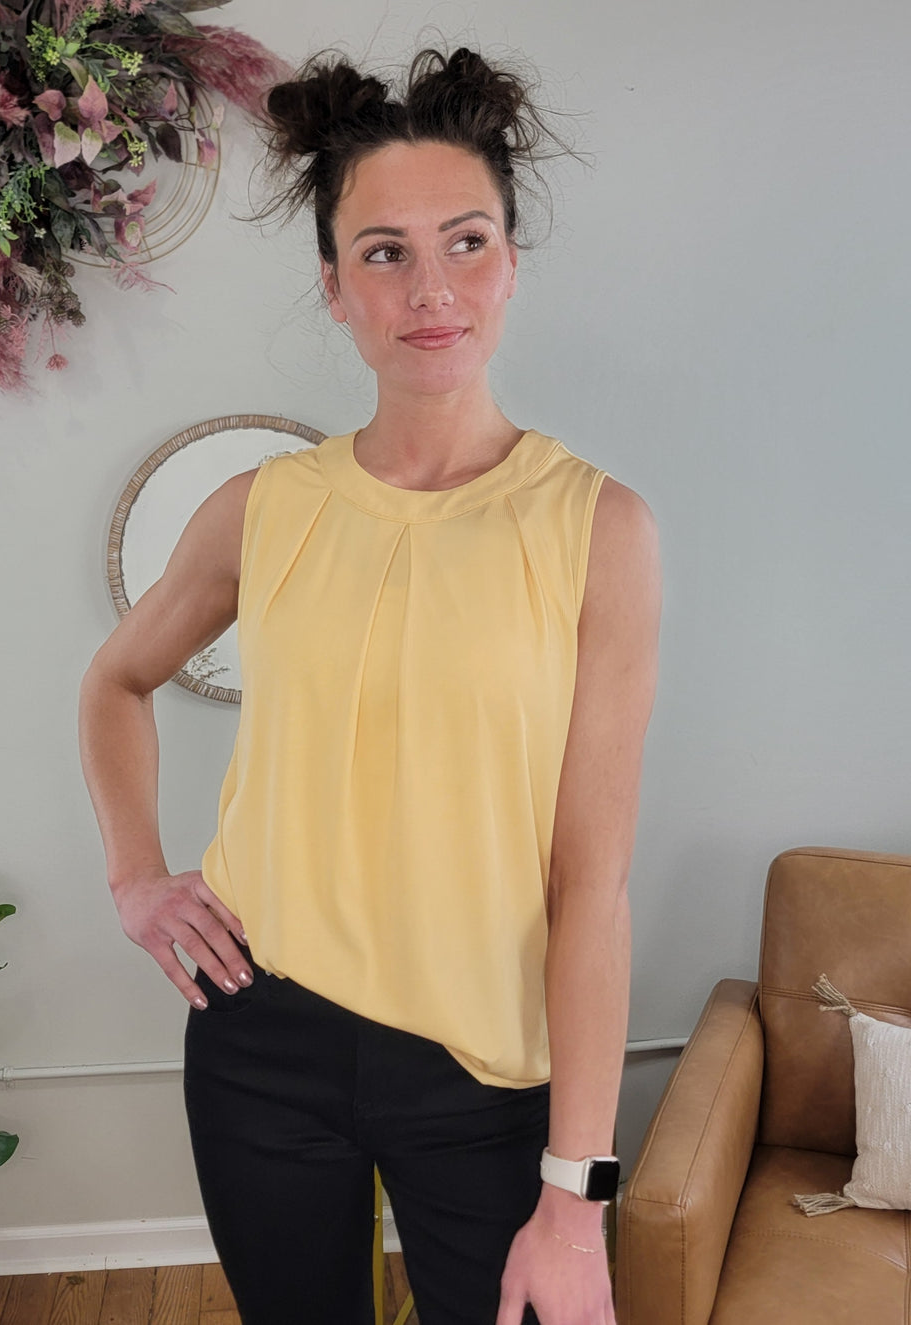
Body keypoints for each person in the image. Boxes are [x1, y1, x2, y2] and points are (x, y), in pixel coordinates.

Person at [78, 42, 661, 1325]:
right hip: (260, 1037)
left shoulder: (596, 528)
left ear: (511, 263)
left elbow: (593, 884)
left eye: (465, 241)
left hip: (486, 1072)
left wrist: (577, 1193)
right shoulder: (262, 507)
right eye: (384, 251)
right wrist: (137, 873)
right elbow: (113, 681)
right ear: (335, 287)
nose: (430, 287)